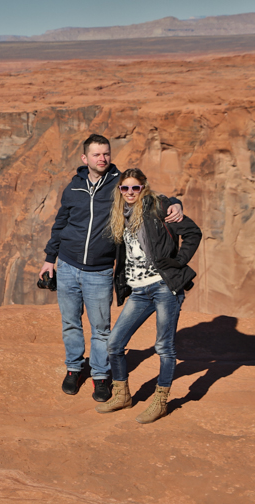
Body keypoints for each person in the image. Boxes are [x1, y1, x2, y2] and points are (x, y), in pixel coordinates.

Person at [39, 134, 183, 402]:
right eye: (96, 154)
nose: (102, 158)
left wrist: (176, 203)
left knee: (101, 328)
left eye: (106, 153)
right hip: (68, 265)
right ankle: (74, 368)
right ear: (85, 158)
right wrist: (50, 258)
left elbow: (152, 195)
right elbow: (60, 224)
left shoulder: (119, 184)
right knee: (70, 322)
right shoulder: (74, 187)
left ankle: (100, 375)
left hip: (100, 270)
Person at [97, 168, 202, 423]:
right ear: (120, 190)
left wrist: (177, 262)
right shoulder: (120, 215)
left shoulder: (159, 208)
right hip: (139, 291)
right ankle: (122, 395)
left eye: (135, 187)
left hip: (164, 287)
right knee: (115, 343)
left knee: (164, 347)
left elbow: (192, 233)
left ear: (143, 187)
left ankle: (160, 400)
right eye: (125, 188)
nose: (130, 192)